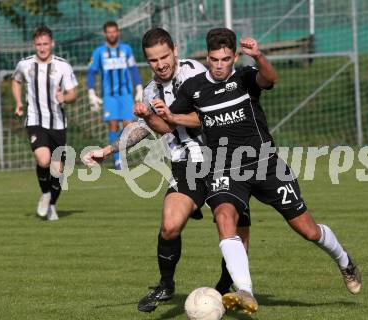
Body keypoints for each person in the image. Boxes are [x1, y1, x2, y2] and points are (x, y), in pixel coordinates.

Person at [149, 28, 361, 314]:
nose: (220, 65)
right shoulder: (194, 88)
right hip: (224, 168)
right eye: (214, 59)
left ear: (235, 56)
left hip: (265, 164)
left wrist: (259, 56)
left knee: (308, 231)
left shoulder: (246, 77)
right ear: (207, 58)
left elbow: (270, 78)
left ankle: (345, 261)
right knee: (224, 217)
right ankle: (245, 290)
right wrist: (154, 115)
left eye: (226, 59)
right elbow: (167, 125)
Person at [83, 27, 250, 313]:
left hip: (223, 158)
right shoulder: (150, 90)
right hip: (185, 163)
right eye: (152, 60)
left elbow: (206, 116)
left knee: (233, 227)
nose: (160, 65)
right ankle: (166, 285)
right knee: (170, 225)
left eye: (164, 56)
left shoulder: (197, 72)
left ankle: (225, 287)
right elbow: (143, 129)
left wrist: (169, 116)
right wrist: (108, 150)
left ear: (174, 50)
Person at [12, 26, 78, 221]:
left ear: (52, 44)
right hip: (35, 120)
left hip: (58, 123)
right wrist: (18, 102)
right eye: (39, 44)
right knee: (43, 160)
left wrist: (64, 97)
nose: (42, 48)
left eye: (45, 44)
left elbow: (74, 93)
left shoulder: (63, 66)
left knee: (58, 171)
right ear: (34, 45)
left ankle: (51, 205)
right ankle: (46, 194)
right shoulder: (25, 65)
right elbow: (16, 81)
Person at [87, 21, 143, 169]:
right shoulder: (99, 52)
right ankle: (117, 160)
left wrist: (138, 87)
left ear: (118, 32)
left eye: (114, 31)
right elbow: (91, 72)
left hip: (126, 94)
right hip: (109, 95)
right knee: (112, 126)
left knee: (128, 126)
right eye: (109, 32)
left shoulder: (126, 49)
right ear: (105, 34)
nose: (112, 34)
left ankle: (122, 157)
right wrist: (91, 92)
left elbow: (133, 69)